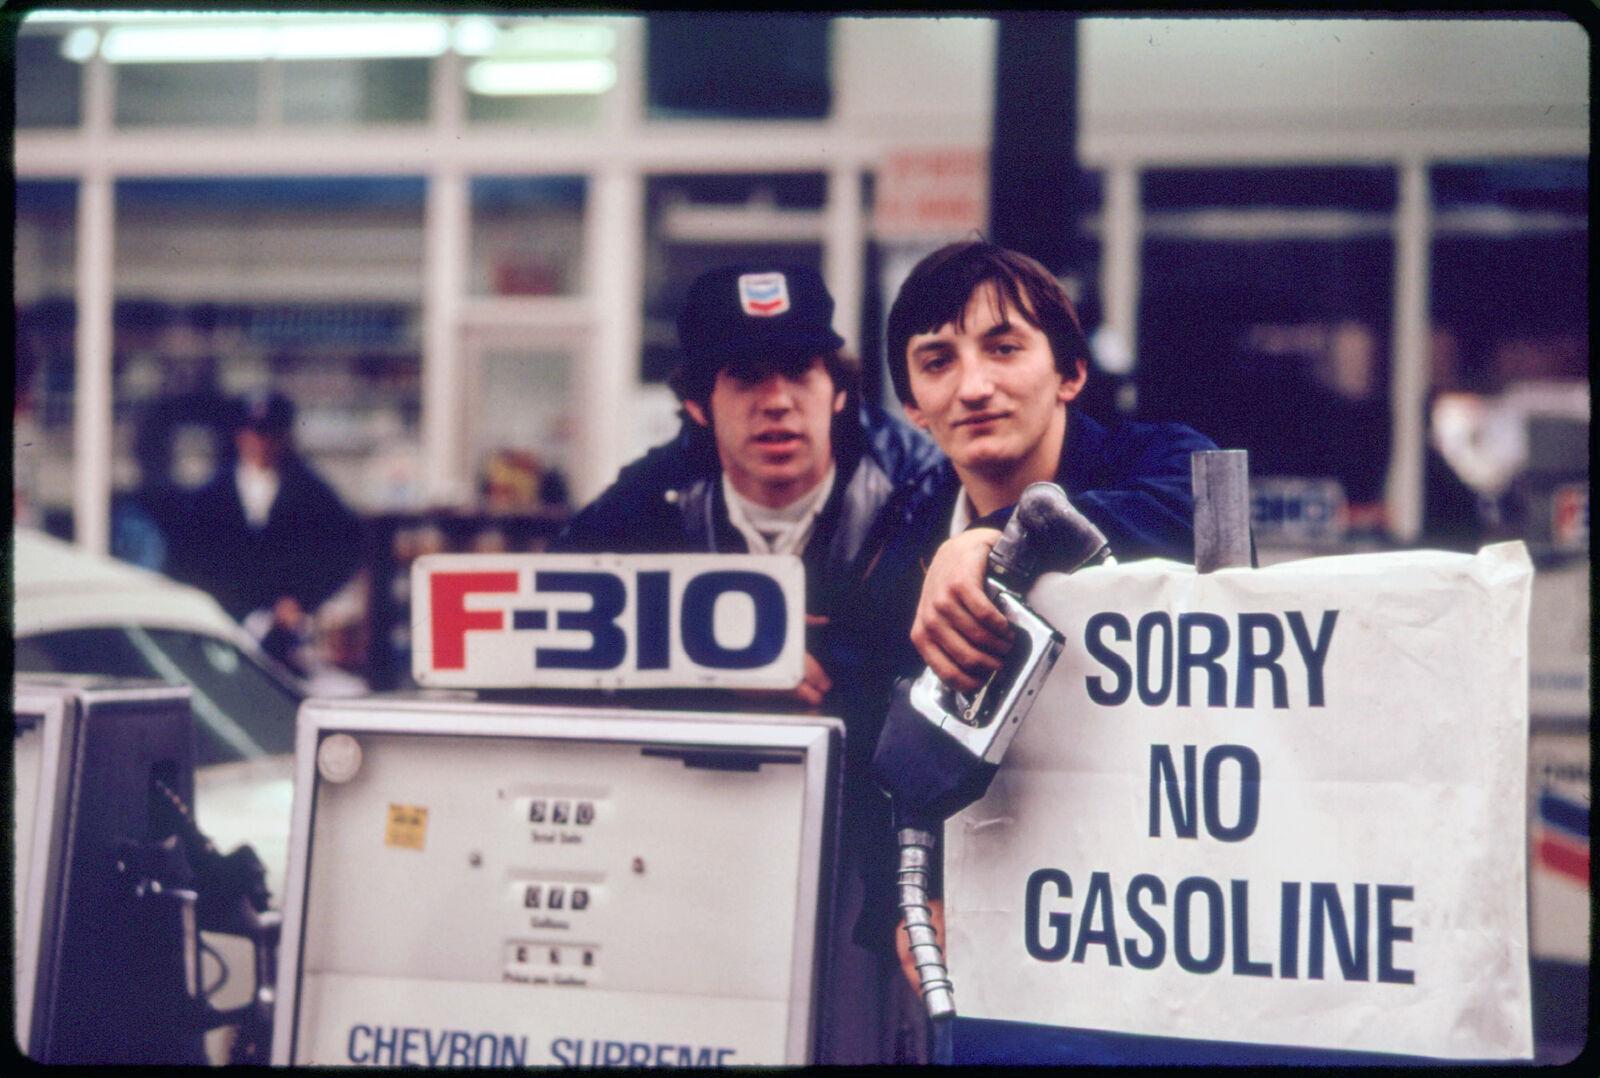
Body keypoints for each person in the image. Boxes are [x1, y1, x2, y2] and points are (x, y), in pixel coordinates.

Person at [550, 263, 944, 1063]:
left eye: (800, 371)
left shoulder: (919, 485)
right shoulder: (649, 499)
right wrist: (703, 658)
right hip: (702, 848)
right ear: (698, 402)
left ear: (837, 388)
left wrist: (832, 656)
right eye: (745, 376)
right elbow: (539, 646)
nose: (777, 400)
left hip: (873, 853)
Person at [851, 240, 1215, 1008]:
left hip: (1156, 909)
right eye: (937, 360)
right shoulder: (901, 539)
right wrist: (911, 903)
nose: (974, 386)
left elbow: (1203, 504)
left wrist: (1000, 539)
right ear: (912, 406)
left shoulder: (1160, 459)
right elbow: (873, 753)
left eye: (1005, 347)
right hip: (992, 919)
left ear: (1071, 373)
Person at [164, 391, 364, 677]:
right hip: (224, 627)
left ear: (284, 438)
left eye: (269, 434)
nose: (260, 443)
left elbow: (345, 547)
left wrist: (302, 598)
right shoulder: (208, 498)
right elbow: (186, 561)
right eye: (253, 433)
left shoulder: (311, 493)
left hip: (286, 636)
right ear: (239, 436)